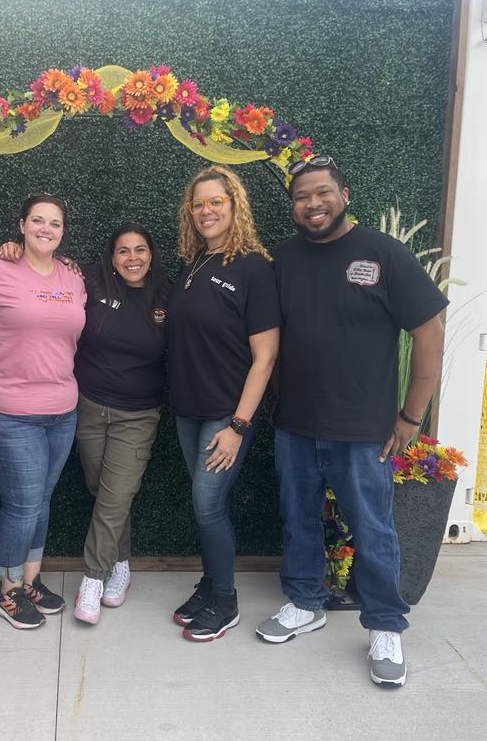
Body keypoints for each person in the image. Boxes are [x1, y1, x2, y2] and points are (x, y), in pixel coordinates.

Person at [255, 155, 447, 688]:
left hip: (364, 431)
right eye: (301, 197)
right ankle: (304, 603)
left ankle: (385, 626)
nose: (312, 205)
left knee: (373, 528)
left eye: (322, 193)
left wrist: (413, 414)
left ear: (344, 194)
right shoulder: (285, 260)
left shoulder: (385, 254)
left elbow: (428, 332)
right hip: (295, 424)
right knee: (298, 519)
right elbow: (272, 339)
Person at [168, 165, 280, 642]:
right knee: (202, 505)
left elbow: (266, 354)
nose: (206, 211)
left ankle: (226, 600)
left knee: (207, 503)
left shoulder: (255, 267)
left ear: (235, 206)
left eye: (216, 201)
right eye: (198, 204)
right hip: (187, 409)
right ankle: (211, 583)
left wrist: (237, 424)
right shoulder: (191, 265)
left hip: (226, 414)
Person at [0, 194, 87, 630]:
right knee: (21, 504)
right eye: (37, 220)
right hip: (7, 410)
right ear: (21, 225)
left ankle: (30, 581)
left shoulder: (73, 277)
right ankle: (7, 590)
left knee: (40, 500)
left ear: (62, 231)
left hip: (62, 409)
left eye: (54, 223)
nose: (46, 229)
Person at [70, 224, 170, 625]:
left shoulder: (167, 293)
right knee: (106, 494)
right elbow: (56, 270)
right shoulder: (91, 281)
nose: (132, 258)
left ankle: (92, 579)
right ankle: (121, 563)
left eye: (140, 250)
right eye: (123, 251)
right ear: (111, 258)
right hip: (89, 408)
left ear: (151, 254)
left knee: (114, 497)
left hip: (138, 415)